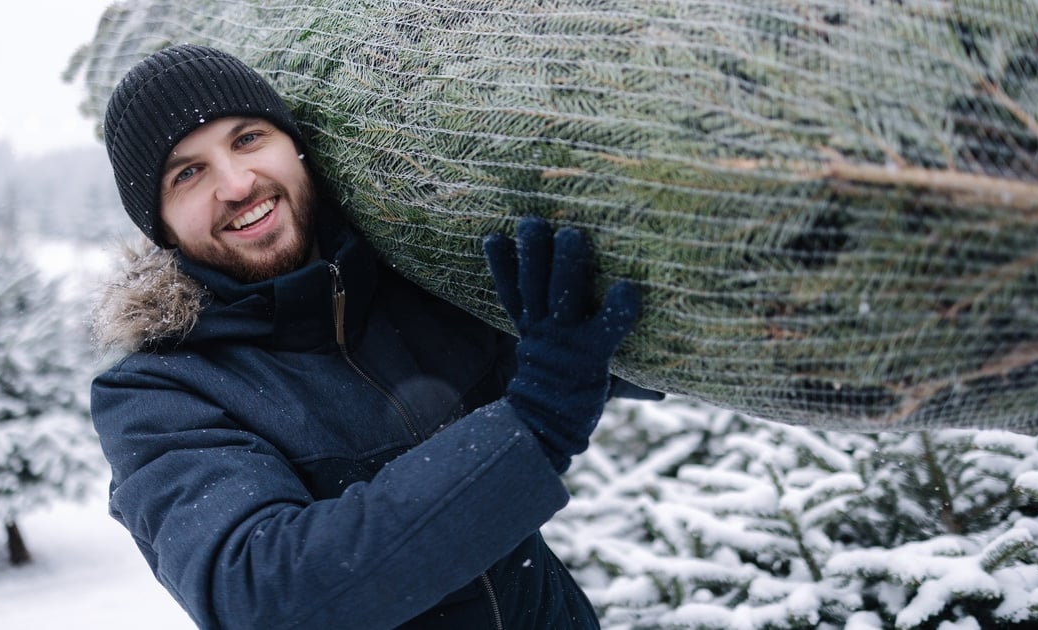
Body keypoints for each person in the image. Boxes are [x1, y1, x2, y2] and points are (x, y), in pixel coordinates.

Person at [90, 44, 662, 630]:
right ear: (159, 226)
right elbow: (266, 595)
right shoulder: (157, 394)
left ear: (296, 146)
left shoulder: (418, 280)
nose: (237, 184)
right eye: (188, 173)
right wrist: (532, 426)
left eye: (248, 139)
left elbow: (584, 357)